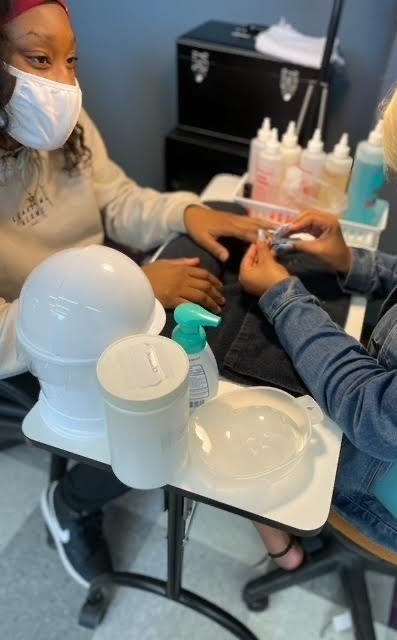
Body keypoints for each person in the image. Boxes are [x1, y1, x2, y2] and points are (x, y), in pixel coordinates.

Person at [0, 0, 271, 587]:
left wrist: (188, 210)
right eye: (39, 58)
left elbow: (119, 201)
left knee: (217, 222)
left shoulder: (64, 121)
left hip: (110, 287)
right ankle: (72, 503)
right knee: (154, 411)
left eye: (71, 61)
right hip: (35, 340)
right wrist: (124, 294)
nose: (63, 84)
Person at [239, 10, 397, 571]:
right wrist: (353, 261)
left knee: (246, 430)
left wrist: (282, 295)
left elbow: (371, 410)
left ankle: (286, 553)